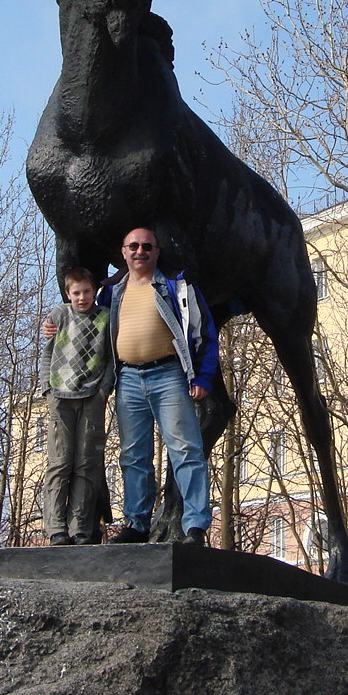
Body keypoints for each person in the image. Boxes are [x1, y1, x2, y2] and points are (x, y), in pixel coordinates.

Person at [101, 227, 217, 545]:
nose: (140, 251)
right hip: (127, 380)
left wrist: (202, 377)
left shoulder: (176, 286)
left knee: (186, 451)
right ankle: (136, 525)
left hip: (168, 376)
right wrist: (54, 324)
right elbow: (85, 324)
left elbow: (203, 329)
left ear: (156, 251)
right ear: (123, 252)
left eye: (147, 246)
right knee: (133, 456)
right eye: (134, 246)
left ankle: (195, 526)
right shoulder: (110, 292)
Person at [38, 267, 115, 545]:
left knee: (87, 463)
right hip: (61, 396)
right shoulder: (59, 315)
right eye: (76, 293)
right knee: (60, 461)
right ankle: (55, 526)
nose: (81, 298)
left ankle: (79, 526)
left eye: (86, 291)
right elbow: (47, 353)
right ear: (68, 293)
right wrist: (47, 388)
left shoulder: (105, 318)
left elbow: (110, 359)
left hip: (91, 397)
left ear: (94, 291)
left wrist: (104, 389)